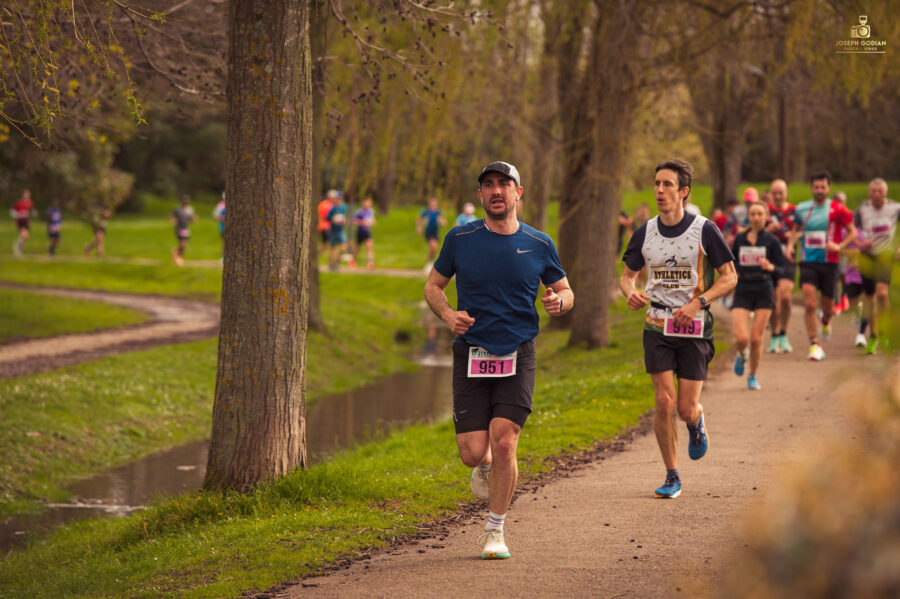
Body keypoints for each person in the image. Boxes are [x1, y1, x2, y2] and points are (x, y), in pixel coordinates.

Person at [424, 161, 573, 560]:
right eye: (488, 185)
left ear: (518, 193)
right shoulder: (461, 238)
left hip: (518, 352)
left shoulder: (540, 243)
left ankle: (495, 530)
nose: (496, 191)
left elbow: (565, 289)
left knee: (505, 440)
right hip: (471, 352)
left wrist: (560, 301)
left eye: (504, 185)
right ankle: (484, 464)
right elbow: (434, 286)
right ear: (480, 195)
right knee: (474, 451)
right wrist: (447, 315)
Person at [620, 159, 736, 500]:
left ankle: (696, 421)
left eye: (667, 184)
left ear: (683, 191)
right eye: (656, 183)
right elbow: (627, 276)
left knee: (685, 408)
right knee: (663, 400)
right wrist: (631, 293)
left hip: (695, 327)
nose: (659, 190)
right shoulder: (645, 231)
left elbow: (730, 277)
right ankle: (672, 475)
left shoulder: (705, 230)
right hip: (657, 325)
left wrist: (698, 303)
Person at [786, 171, 856, 361]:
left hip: (830, 262)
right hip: (808, 261)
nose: (819, 190)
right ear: (811, 188)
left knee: (828, 307)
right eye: (816, 187)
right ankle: (814, 344)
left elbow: (852, 232)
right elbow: (796, 230)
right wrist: (791, 246)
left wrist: (840, 246)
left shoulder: (838, 209)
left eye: (822, 187)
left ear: (828, 188)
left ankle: (825, 320)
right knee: (809, 302)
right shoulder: (802, 209)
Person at [730, 202, 785, 390]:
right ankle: (741, 355)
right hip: (743, 289)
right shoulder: (739, 239)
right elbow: (730, 263)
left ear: (766, 216)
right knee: (742, 338)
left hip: (763, 289)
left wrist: (770, 267)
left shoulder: (772, 241)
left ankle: (752, 375)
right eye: (753, 214)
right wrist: (734, 273)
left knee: (756, 339)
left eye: (759, 214)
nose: (756, 217)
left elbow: (782, 268)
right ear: (749, 216)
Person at [853, 177, 900, 354]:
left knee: (882, 293)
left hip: (886, 256)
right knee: (870, 297)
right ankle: (872, 335)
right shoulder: (863, 209)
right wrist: (858, 243)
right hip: (867, 257)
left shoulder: (895, 208)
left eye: (880, 191)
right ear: (869, 193)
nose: (877, 194)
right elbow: (851, 230)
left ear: (886, 193)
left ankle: (885, 334)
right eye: (874, 191)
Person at [766, 179, 797, 353]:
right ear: (771, 193)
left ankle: (783, 333)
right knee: (773, 302)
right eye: (774, 193)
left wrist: (792, 235)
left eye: (781, 192)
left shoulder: (795, 211)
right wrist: (769, 230)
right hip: (769, 261)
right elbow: (754, 232)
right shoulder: (766, 212)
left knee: (785, 297)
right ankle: (774, 335)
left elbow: (801, 230)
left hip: (787, 259)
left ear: (786, 193)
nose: (778, 196)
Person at [169, 195, 197, 266]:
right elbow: (172, 215)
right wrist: (173, 221)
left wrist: (194, 219)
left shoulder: (189, 210)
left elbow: (191, 217)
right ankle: (177, 256)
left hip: (185, 228)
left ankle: (177, 254)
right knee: (182, 243)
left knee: (185, 244)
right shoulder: (177, 209)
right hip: (179, 228)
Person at [418, 196, 446, 268]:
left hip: (435, 232)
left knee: (435, 248)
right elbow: (419, 219)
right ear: (429, 203)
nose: (433, 204)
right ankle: (429, 263)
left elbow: (443, 221)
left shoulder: (438, 212)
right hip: (428, 232)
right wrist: (419, 227)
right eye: (432, 203)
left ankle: (430, 262)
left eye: (435, 203)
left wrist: (442, 222)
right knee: (433, 247)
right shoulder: (426, 211)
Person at [352, 197, 376, 269]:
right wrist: (362, 223)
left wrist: (372, 223)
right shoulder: (359, 212)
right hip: (360, 232)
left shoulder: (371, 211)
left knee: (369, 246)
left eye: (369, 203)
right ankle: (353, 259)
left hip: (367, 232)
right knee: (358, 247)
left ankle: (370, 262)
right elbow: (354, 221)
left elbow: (373, 220)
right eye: (366, 203)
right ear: (363, 204)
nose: (368, 205)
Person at [326, 191, 348, 271]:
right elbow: (327, 218)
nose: (339, 200)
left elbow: (344, 217)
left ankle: (337, 262)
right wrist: (333, 220)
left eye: (341, 199)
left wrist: (344, 220)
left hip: (340, 230)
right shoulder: (332, 209)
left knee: (343, 247)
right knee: (333, 248)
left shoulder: (344, 207)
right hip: (333, 231)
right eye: (338, 199)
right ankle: (331, 264)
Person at [11, 189, 35, 257]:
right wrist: (18, 214)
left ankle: (18, 248)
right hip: (20, 222)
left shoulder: (30, 203)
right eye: (26, 194)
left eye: (28, 195)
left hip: (26, 222)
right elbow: (12, 211)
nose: (27, 196)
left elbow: (31, 211)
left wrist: (33, 213)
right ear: (23, 195)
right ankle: (16, 248)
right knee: (23, 235)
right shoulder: (18, 203)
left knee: (26, 237)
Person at [318, 190, 338, 254]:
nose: (335, 199)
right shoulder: (327, 205)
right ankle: (313, 257)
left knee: (328, 246)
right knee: (326, 246)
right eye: (334, 197)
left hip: (326, 226)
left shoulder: (324, 204)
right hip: (326, 227)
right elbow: (325, 216)